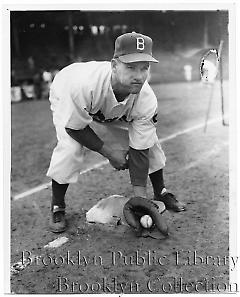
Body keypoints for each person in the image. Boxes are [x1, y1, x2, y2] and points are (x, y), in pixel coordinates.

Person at [46, 32, 186, 233]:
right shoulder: (81, 86)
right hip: (69, 94)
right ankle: (57, 206)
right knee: (70, 148)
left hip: (111, 110)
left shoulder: (145, 98)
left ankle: (161, 192)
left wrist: (140, 200)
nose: (138, 76)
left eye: (144, 68)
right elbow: (74, 127)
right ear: (114, 65)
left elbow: (140, 147)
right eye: (130, 67)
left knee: (150, 142)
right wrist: (109, 153)